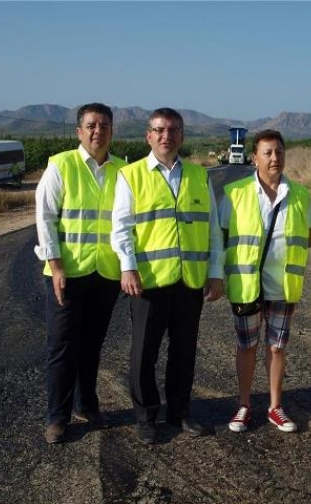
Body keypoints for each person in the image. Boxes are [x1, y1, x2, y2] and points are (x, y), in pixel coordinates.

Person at [110, 107, 225, 444]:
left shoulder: (198, 175)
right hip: (149, 281)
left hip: (189, 280)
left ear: (182, 136)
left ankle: (180, 411)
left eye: (173, 130)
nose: (166, 136)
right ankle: (146, 416)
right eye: (159, 130)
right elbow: (121, 228)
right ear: (149, 135)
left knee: (184, 350)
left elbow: (212, 230)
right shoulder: (131, 175)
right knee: (144, 351)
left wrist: (215, 273)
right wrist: (127, 266)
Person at [34, 102, 128, 444]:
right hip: (67, 274)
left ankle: (87, 404)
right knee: (62, 346)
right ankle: (57, 417)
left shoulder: (123, 170)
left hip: (105, 273)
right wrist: (56, 266)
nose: (97, 131)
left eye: (104, 125)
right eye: (91, 125)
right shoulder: (61, 165)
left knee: (92, 345)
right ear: (79, 131)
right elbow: (45, 218)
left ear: (111, 131)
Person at [218, 129, 311, 433]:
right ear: (254, 158)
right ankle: (244, 405)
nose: (275, 158)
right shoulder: (234, 194)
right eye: (268, 153)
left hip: (284, 285)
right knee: (247, 345)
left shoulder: (299, 195)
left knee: (277, 347)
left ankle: (275, 407)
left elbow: (310, 237)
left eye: (280, 152)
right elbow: (220, 237)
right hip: (247, 286)